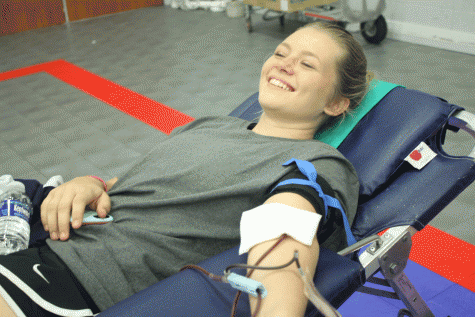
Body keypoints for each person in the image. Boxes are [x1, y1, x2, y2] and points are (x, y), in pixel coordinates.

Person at [0, 21, 369, 317]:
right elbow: (144, 187)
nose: (283, 64)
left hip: (77, 275)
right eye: (280, 52)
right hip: (44, 222)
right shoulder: (211, 124)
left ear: (337, 102)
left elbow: (284, 241)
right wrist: (89, 183)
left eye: (306, 64)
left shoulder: (317, 163)